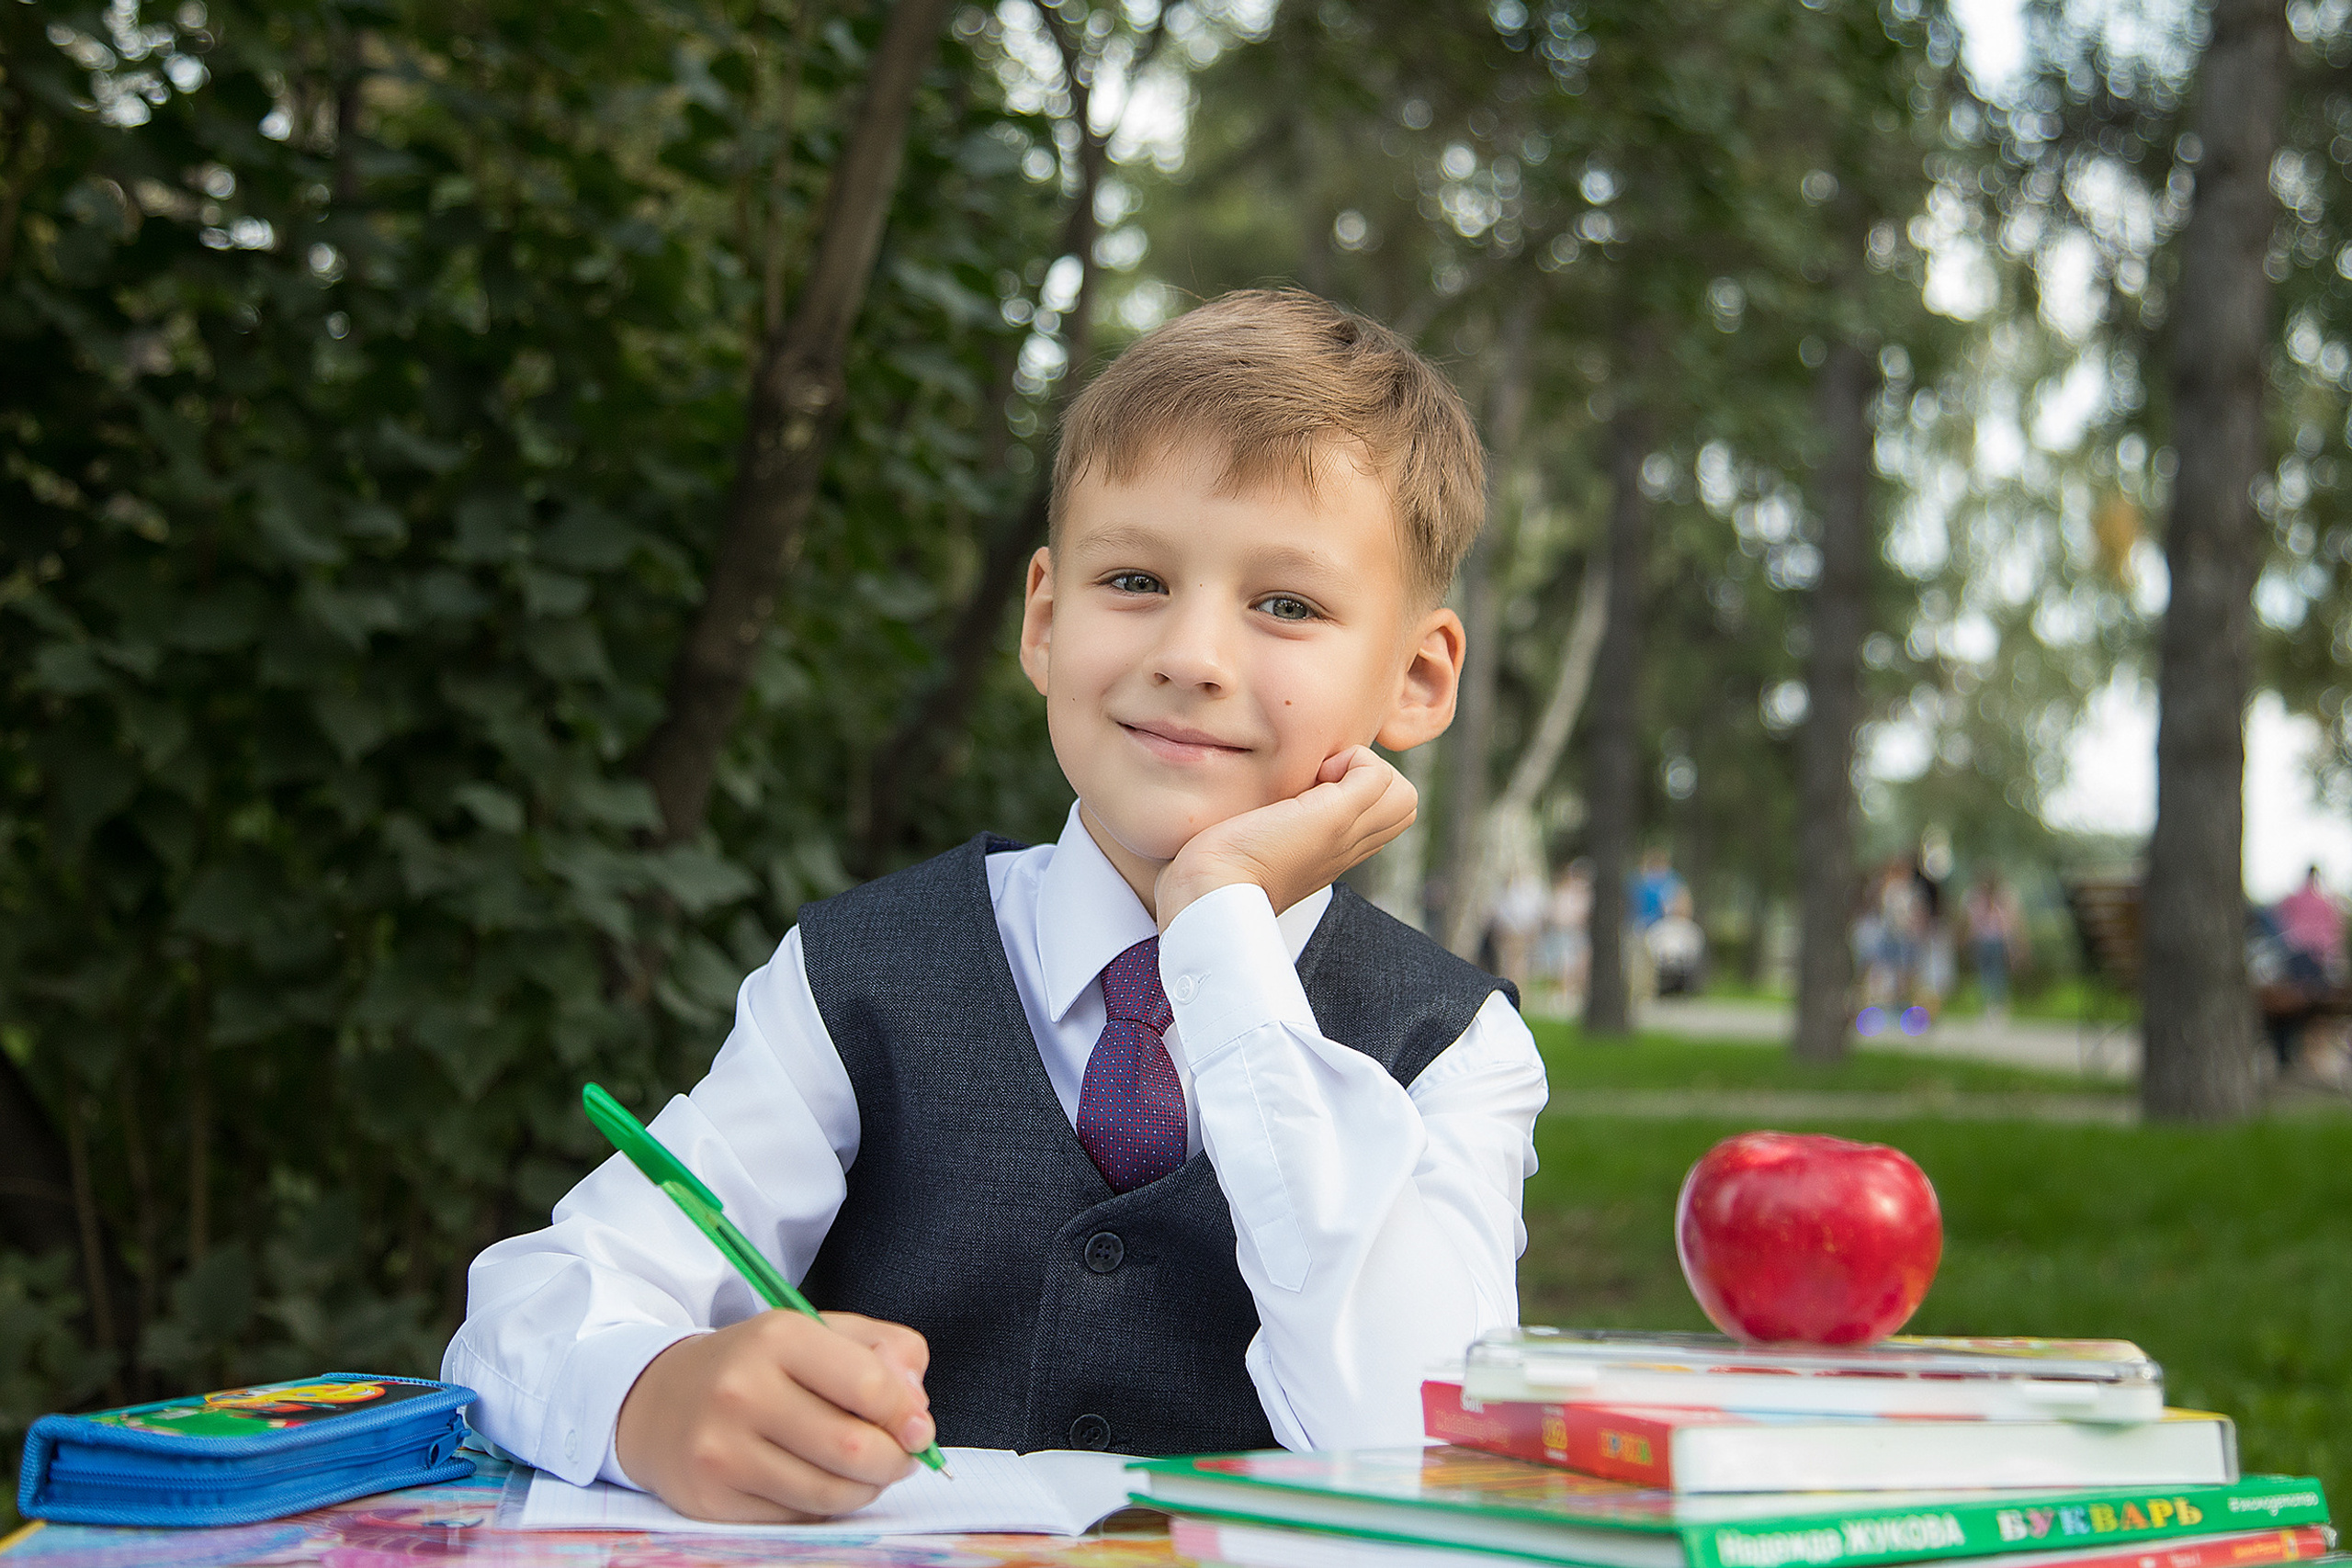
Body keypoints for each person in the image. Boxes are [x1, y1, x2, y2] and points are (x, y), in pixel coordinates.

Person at [442, 291, 1548, 1523]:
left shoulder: (1454, 1045)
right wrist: (652, 1391)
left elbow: (1417, 1442)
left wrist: (1222, 928)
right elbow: (533, 1309)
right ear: (1043, 615)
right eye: (1134, 576)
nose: (1192, 652)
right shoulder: (860, 974)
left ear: (1416, 673)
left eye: (1285, 603)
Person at [1962, 868, 2024, 1020]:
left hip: (1994, 941)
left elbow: (2010, 921)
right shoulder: (1979, 897)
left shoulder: (2000, 896)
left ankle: (1996, 1007)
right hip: (1986, 941)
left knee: (1994, 974)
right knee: (1990, 975)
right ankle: (1992, 1007)